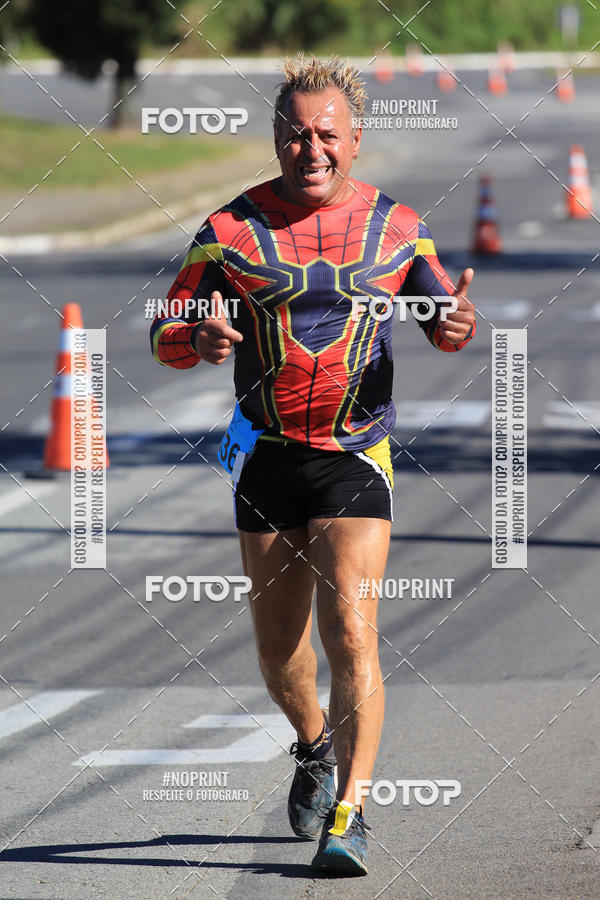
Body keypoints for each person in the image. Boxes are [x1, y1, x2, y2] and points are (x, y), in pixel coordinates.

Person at [150, 53, 476, 876]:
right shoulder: (228, 232)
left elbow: (441, 312)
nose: (312, 151)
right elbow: (162, 332)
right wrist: (196, 336)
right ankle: (311, 743)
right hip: (265, 458)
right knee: (279, 656)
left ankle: (351, 815)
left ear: (355, 140)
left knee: (351, 632)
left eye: (327, 135)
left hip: (353, 456)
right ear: (276, 139)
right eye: (296, 136)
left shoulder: (398, 227)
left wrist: (453, 324)